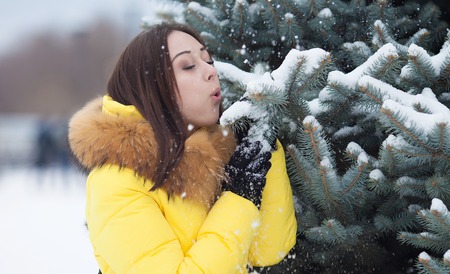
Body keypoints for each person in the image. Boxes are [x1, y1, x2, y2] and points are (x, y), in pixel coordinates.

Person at [68, 22, 297, 274]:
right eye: (188, 65)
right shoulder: (115, 183)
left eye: (208, 60)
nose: (211, 72)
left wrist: (263, 146)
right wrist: (239, 199)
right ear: (151, 87)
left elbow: (269, 250)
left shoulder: (215, 154)